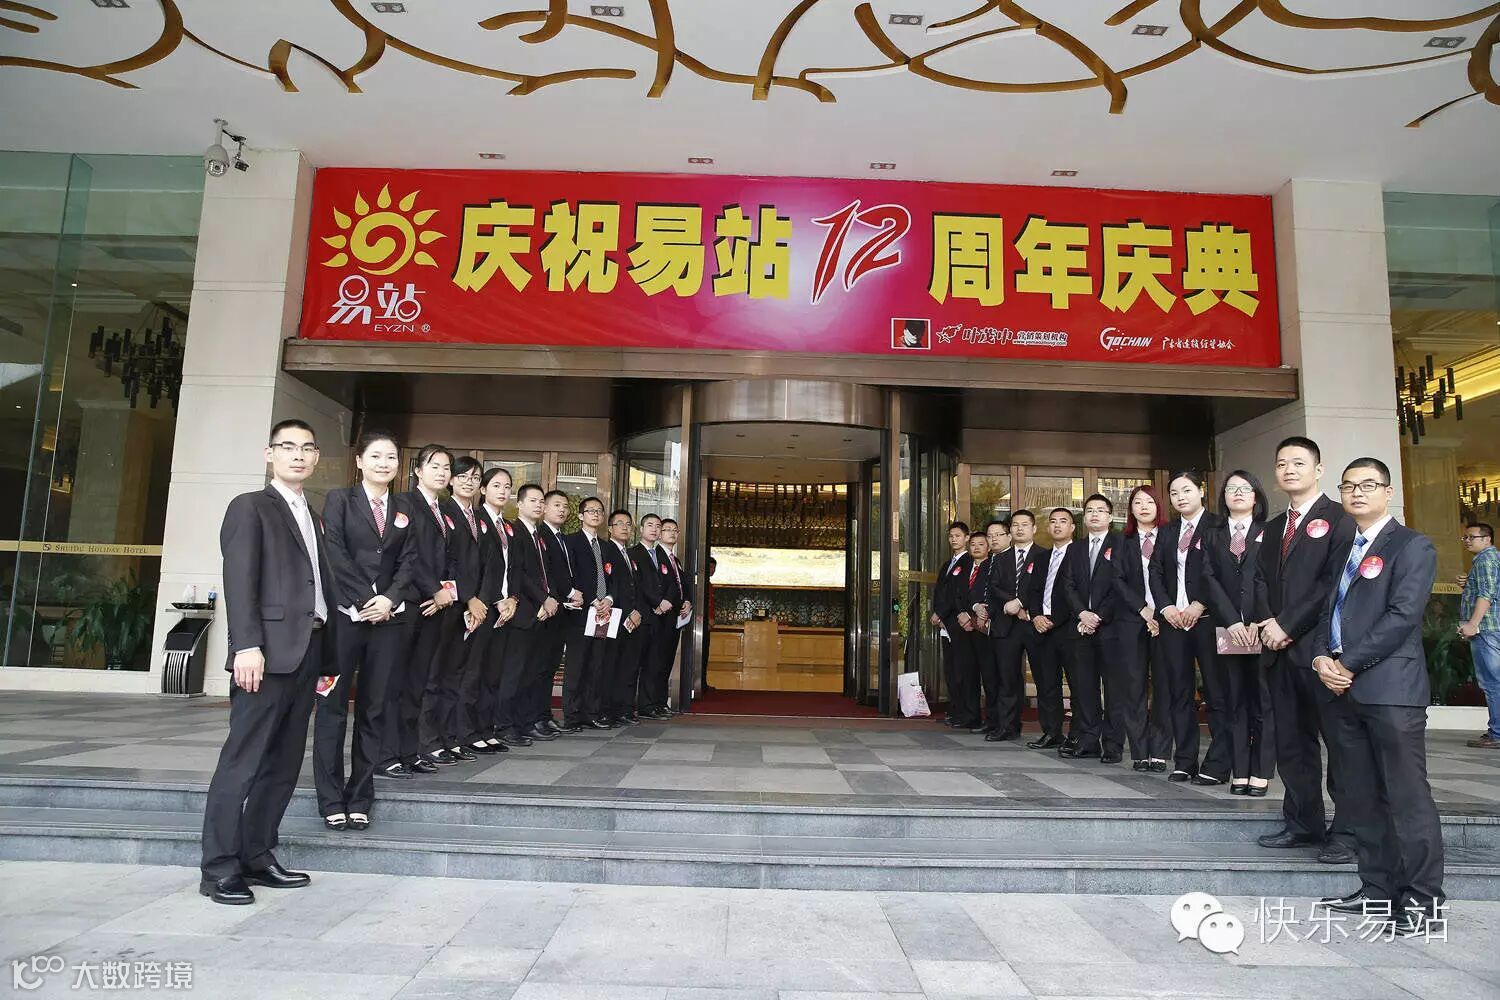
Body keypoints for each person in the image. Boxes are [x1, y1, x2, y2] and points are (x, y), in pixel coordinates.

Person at [200, 418, 337, 905]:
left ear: (316, 457)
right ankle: (219, 868)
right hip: (264, 654)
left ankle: (257, 855)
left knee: (282, 764)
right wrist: (245, 646)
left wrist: (328, 657)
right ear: (269, 454)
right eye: (288, 446)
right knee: (243, 762)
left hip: (307, 651)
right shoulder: (251, 506)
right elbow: (239, 582)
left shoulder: (313, 513)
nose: (298, 455)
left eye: (307, 448)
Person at [1312, 457, 1443, 935]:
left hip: (1390, 691)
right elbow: (1329, 614)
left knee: (1406, 797)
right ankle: (1377, 891)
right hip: (1342, 692)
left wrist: (1347, 663)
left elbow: (1402, 616)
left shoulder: (1412, 545)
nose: (1358, 492)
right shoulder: (1345, 548)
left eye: (1369, 485)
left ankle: (1423, 901)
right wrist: (1320, 658)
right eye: (1349, 485)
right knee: (1360, 797)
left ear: (1388, 492)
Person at [1252, 437, 1357, 863]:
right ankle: (1302, 823)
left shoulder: (1340, 519)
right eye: (1282, 464)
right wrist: (1268, 624)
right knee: (1292, 744)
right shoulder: (1274, 526)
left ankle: (1347, 832)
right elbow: (1259, 580)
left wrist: (1288, 624)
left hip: (1322, 650)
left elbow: (1332, 583)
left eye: (1298, 462)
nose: (1289, 470)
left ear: (1319, 469)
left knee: (1341, 745)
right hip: (1278, 651)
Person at [313, 431, 417, 829]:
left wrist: (388, 599)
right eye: (375, 456)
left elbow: (410, 560)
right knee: (332, 708)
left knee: (375, 709)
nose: (383, 463)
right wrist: (365, 599)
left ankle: (360, 795)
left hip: (388, 621)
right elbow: (334, 553)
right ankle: (330, 799)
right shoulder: (340, 500)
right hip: (345, 619)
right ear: (359, 461)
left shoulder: (404, 507)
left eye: (390, 457)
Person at [1149, 470, 1227, 783]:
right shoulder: (1167, 531)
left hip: (1206, 621)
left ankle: (1218, 765)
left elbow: (1222, 570)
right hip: (1173, 623)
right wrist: (1166, 607)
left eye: (1186, 490)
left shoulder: (1218, 525)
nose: (1180, 497)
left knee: (1216, 692)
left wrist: (1200, 603)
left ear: (1201, 491)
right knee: (1179, 693)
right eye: (1174, 493)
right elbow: (1155, 572)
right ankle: (1185, 761)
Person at [385, 444, 455, 778]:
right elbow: (408, 554)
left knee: (418, 683)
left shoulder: (442, 509)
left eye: (446, 467)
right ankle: (386, 755)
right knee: (396, 683)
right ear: (417, 470)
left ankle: (409, 751)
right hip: (410, 604)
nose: (442, 472)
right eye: (435, 465)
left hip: (434, 606)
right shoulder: (405, 503)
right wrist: (434, 590)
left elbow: (448, 558)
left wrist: (445, 593)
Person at [1204, 470, 1272, 796]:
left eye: (1245, 488)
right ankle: (1240, 770)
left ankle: (1261, 771)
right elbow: (1208, 578)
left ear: (1256, 496)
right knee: (1234, 700)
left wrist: (1260, 620)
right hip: (1227, 628)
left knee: (1262, 701)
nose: (1238, 493)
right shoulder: (1212, 535)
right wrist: (1232, 621)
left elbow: (1272, 579)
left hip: (1261, 628)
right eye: (1232, 488)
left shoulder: (1270, 532)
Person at [422, 456, 490, 765]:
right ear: (451, 480)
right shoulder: (444, 511)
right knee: (434, 675)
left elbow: (485, 564)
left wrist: (478, 598)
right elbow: (446, 562)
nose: (468, 482)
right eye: (462, 476)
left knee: (455, 674)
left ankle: (449, 737)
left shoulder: (477, 516)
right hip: (447, 605)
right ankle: (428, 741)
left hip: (470, 607)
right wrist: (467, 596)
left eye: (475, 477)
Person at [1111, 485, 1167, 770]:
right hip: (1132, 619)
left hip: (1166, 619)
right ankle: (1139, 751)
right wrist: (1143, 609)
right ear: (1130, 509)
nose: (1143, 507)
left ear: (1158, 505)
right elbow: (1117, 580)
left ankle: (1160, 751)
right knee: (1133, 687)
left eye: (1149, 502)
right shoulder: (1122, 541)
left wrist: (1161, 610)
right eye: (1137, 502)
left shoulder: (1170, 536)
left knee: (1164, 686)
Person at [1063, 495, 1121, 762]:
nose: (1094, 514)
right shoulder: (1075, 549)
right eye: (1089, 510)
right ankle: (1088, 741)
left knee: (1113, 689)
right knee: (1085, 687)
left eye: (1100, 510)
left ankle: (1113, 745)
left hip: (1111, 628)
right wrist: (1083, 614)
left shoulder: (1121, 544)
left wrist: (1097, 616)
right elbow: (1068, 585)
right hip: (1081, 627)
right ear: (1084, 518)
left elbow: (1121, 585)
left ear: (1110, 516)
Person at [463, 467, 517, 755]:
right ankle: (467, 732)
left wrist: (512, 599)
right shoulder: (476, 520)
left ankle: (486, 729)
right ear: (482, 489)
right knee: (474, 672)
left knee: (493, 673)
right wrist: (495, 598)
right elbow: (476, 568)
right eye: (496, 485)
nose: (503, 491)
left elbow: (513, 569)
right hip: (483, 606)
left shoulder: (507, 525)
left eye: (507, 486)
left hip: (504, 609)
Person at [500, 483, 556, 746]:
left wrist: (548, 600)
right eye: (532, 500)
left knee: (531, 672)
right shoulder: (515, 532)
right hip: (522, 612)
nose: (538, 505)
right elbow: (519, 573)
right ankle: (504, 725)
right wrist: (543, 599)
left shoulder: (539, 536)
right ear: (519, 504)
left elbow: (545, 574)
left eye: (541, 501)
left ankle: (524, 722)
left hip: (539, 615)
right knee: (514, 672)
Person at [985, 510, 1046, 744]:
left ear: (1034, 529)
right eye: (1015, 525)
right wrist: (1011, 605)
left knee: (1044, 678)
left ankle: (1051, 730)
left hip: (1034, 624)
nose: (1019, 529)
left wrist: (1020, 603)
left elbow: (1042, 587)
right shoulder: (1000, 558)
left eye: (1024, 524)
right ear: (1010, 531)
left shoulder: (1044, 555)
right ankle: (1007, 727)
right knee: (1007, 678)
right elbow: (994, 587)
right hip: (1006, 625)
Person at [562, 496, 615, 730]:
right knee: (577, 665)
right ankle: (572, 715)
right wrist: (593, 598)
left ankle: (591, 713)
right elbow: (572, 575)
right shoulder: (571, 542)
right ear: (580, 515)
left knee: (597, 664)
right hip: (581, 611)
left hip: (604, 613)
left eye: (599, 511)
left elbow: (613, 578)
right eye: (590, 510)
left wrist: (609, 599)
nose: (595, 514)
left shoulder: (606, 546)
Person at [1033, 508, 1078, 751]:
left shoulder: (1080, 554)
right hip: (1042, 629)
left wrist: (1055, 619)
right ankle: (1051, 732)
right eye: (1053, 522)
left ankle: (1077, 735)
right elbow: (1032, 591)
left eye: (1063, 521)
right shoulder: (1041, 558)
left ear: (1072, 527)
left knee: (1077, 684)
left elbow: (1077, 594)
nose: (1057, 525)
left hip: (1069, 628)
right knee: (1047, 684)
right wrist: (1036, 616)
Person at [537, 489, 577, 735]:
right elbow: (547, 573)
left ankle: (544, 715)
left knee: (551, 666)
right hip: (546, 608)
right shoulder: (540, 534)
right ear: (544, 508)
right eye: (556, 505)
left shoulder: (563, 538)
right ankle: (535, 717)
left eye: (565, 506)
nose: (562, 510)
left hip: (562, 610)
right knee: (540, 667)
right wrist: (568, 592)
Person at [935, 522, 979, 730]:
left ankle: (968, 713)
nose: (954, 539)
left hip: (960, 622)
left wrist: (942, 612)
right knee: (951, 669)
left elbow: (958, 593)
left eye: (958, 536)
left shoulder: (969, 561)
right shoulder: (947, 564)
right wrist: (937, 613)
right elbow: (940, 591)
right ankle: (955, 710)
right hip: (946, 623)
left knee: (964, 670)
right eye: (951, 536)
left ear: (967, 537)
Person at [1459, 522, 1499, 749]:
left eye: (1471, 537)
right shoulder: (1489, 560)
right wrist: (1468, 584)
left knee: (1492, 682)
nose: (1467, 541)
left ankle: (1497, 733)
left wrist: (1473, 624)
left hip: (1487, 629)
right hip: (1492, 627)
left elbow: (1487, 594)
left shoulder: (1485, 560)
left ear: (1487, 539)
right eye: (1465, 537)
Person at [628, 514, 672, 722]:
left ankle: (649, 705)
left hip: (659, 618)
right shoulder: (633, 553)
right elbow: (639, 584)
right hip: (642, 615)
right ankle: (627, 707)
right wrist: (657, 602)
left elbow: (670, 582)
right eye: (650, 525)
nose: (654, 529)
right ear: (641, 529)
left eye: (658, 526)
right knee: (634, 664)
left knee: (653, 664)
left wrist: (666, 601)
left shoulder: (661, 555)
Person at [606, 509, 646, 724]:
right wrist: (628, 610)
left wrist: (637, 610)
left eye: (628, 524)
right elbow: (612, 586)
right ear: (610, 528)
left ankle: (626, 709)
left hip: (633, 619)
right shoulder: (607, 551)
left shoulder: (630, 554)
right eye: (619, 523)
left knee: (630, 666)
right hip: (616, 617)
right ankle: (612, 709)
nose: (624, 527)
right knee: (614, 665)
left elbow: (636, 587)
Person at [655, 518, 692, 716]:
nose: (671, 533)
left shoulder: (674, 560)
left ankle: (661, 702)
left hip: (674, 620)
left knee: (666, 661)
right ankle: (652, 703)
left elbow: (681, 585)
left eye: (674, 530)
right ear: (659, 534)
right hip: (660, 618)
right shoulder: (656, 555)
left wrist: (687, 601)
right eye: (667, 529)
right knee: (657, 662)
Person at [957, 531, 993, 733]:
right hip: (965, 626)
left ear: (988, 547)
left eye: (981, 544)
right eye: (973, 544)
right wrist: (961, 613)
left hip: (983, 626)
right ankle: (971, 716)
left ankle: (991, 719)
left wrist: (980, 613)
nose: (977, 547)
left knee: (988, 674)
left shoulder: (992, 566)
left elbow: (990, 594)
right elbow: (958, 594)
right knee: (968, 673)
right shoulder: (965, 568)